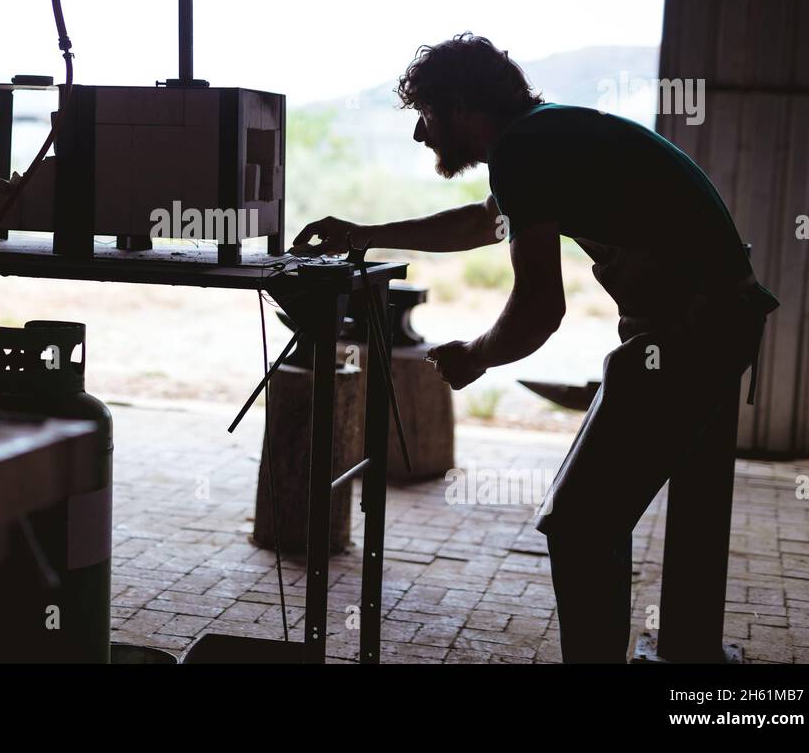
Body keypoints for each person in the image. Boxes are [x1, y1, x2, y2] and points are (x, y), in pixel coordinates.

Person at [292, 33, 778, 663]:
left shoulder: (525, 147)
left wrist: (477, 355)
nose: (420, 134)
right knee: (617, 513)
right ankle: (689, 653)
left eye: (428, 115)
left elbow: (539, 309)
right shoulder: (545, 139)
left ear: (465, 107)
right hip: (719, 321)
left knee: (579, 525)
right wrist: (365, 234)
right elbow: (483, 223)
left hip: (695, 334)